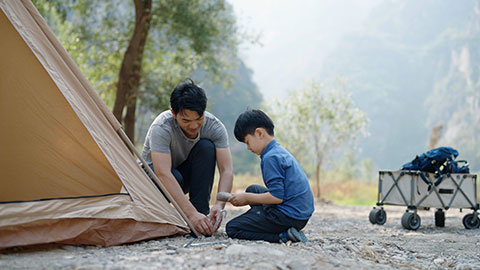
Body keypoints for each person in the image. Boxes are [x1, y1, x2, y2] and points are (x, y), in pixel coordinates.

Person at [141, 79, 233, 236]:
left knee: (206, 147)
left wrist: (219, 205)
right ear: (173, 114)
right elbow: (163, 173)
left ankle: (201, 217)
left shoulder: (214, 126)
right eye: (185, 120)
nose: (193, 126)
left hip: (182, 177)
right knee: (174, 176)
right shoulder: (162, 127)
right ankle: (191, 216)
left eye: (199, 119)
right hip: (152, 181)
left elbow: (226, 170)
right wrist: (189, 214)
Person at [225, 109, 314, 243]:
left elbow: (277, 197)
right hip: (301, 214)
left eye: (247, 142)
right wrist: (249, 196)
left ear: (259, 133)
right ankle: (261, 218)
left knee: (232, 228)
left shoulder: (270, 158)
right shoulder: (277, 150)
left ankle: (283, 236)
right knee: (253, 189)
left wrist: (246, 198)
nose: (248, 148)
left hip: (289, 216)